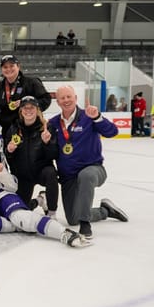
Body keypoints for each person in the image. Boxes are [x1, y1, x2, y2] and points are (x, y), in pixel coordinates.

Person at [48, 85, 128, 240]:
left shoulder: (88, 116)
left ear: (75, 98)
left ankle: (85, 224)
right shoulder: (53, 123)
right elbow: (50, 151)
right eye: (62, 98)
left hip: (93, 169)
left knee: (86, 176)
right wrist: (46, 141)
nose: (66, 100)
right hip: (69, 177)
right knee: (72, 219)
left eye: (69, 96)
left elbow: (112, 132)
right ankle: (105, 211)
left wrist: (98, 117)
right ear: (57, 102)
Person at [4, 96, 59, 217]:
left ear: (37, 110)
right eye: (25, 107)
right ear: (21, 111)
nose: (28, 110)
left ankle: (52, 212)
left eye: (32, 107)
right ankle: (39, 200)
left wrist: (47, 143)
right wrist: (9, 151)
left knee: (51, 173)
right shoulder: (13, 129)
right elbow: (8, 158)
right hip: (23, 176)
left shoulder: (46, 128)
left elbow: (54, 154)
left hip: (41, 172)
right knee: (19, 213)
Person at [0, 54, 51, 136]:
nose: (8, 69)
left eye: (11, 66)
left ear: (18, 66)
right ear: (2, 69)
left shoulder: (32, 83)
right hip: (7, 131)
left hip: (31, 130)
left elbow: (46, 99)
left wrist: (27, 103)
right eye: (5, 67)